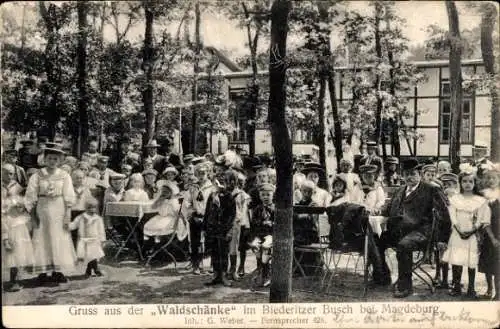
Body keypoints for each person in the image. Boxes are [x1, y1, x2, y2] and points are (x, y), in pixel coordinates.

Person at [371, 158, 451, 298]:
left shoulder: (431, 190)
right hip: (399, 232)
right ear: (402, 175)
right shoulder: (400, 190)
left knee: (404, 245)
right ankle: (382, 276)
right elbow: (388, 209)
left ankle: (405, 286)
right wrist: (378, 212)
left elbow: (445, 215)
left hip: (421, 233)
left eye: (413, 173)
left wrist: (443, 239)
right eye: (406, 173)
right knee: (376, 241)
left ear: (420, 174)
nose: (409, 177)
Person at [24, 144, 77, 286]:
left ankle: (57, 271)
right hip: (43, 208)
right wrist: (33, 215)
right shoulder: (37, 175)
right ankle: (42, 272)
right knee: (42, 237)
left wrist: (67, 214)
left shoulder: (64, 175)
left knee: (59, 237)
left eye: (55, 159)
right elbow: (30, 195)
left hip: (59, 208)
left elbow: (69, 196)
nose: (52, 161)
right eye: (49, 158)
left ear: (59, 160)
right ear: (44, 159)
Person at [442, 170, 491, 298]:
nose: (467, 184)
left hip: (472, 234)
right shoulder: (455, 199)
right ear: (460, 183)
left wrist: (472, 230)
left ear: (475, 183)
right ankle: (457, 286)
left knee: (471, 261)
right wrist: (459, 230)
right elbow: (453, 217)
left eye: (470, 181)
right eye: (464, 181)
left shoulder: (480, 200)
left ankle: (471, 288)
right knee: (457, 261)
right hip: (457, 233)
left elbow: (481, 219)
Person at [203, 168, 237, 287]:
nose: (219, 185)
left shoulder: (228, 197)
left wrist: (228, 229)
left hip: (223, 229)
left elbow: (231, 215)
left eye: (222, 182)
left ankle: (223, 275)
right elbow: (207, 213)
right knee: (214, 252)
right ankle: (215, 274)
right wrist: (205, 228)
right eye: (216, 182)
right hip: (212, 229)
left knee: (223, 252)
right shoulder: (212, 196)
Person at [181, 161, 216, 275]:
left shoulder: (212, 187)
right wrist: (191, 214)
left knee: (209, 241)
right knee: (196, 242)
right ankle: (197, 264)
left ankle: (212, 265)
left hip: (209, 217)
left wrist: (211, 216)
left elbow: (215, 204)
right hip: (196, 216)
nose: (201, 175)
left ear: (208, 173)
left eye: (203, 173)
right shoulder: (193, 188)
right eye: (199, 173)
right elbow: (188, 202)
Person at [2, 189, 35, 292]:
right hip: (13, 243)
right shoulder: (7, 218)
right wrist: (6, 242)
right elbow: (4, 231)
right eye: (16, 207)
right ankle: (13, 281)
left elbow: (30, 227)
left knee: (21, 262)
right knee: (13, 262)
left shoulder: (24, 217)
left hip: (23, 243)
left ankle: (17, 280)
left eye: (21, 207)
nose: (19, 209)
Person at [433, 172, 459, 289]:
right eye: (444, 185)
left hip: (455, 231)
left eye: (449, 184)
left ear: (455, 185)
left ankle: (455, 280)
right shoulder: (440, 199)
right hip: (442, 231)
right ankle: (444, 280)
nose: (446, 187)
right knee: (443, 256)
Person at [69, 197, 105, 278]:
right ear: (85, 208)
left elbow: (101, 230)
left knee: (93, 255)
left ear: (96, 208)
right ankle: (91, 270)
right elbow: (74, 224)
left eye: (94, 207)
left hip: (94, 240)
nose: (92, 209)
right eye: (89, 207)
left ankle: (94, 270)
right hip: (84, 240)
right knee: (88, 256)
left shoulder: (98, 219)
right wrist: (67, 226)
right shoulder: (81, 217)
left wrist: (102, 239)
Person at [143, 181, 185, 251]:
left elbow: (177, 212)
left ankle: (158, 247)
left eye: (166, 192)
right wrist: (160, 199)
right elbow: (153, 207)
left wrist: (181, 219)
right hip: (160, 217)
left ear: (171, 193)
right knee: (148, 226)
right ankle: (151, 245)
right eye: (163, 191)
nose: (164, 193)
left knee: (160, 228)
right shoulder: (161, 200)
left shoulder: (173, 201)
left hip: (170, 218)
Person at [478, 169, 500, 300]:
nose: (491, 181)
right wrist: (491, 237)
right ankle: (489, 289)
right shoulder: (483, 196)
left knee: (498, 264)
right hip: (489, 233)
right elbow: (484, 219)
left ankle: (498, 292)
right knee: (488, 264)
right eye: (488, 178)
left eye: (494, 178)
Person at [249, 183, 275, 287]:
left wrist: (272, 223)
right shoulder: (258, 209)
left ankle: (266, 274)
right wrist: (261, 222)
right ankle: (260, 269)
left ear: (272, 195)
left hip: (270, 235)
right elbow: (254, 222)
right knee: (255, 245)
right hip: (260, 234)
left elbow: (279, 223)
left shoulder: (275, 208)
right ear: (260, 196)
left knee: (265, 247)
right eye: (263, 195)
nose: (265, 197)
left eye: (268, 195)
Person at [228, 170, 251, 281]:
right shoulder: (225, 192)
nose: (231, 183)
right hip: (225, 223)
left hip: (236, 223)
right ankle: (225, 270)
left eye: (234, 181)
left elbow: (244, 211)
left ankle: (233, 270)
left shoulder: (242, 195)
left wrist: (245, 225)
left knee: (234, 247)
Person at [71, 169, 94, 248]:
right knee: (73, 232)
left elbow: (90, 201)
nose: (79, 180)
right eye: (77, 178)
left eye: (81, 178)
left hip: (83, 212)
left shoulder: (86, 189)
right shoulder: (69, 189)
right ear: (72, 179)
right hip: (72, 212)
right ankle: (74, 250)